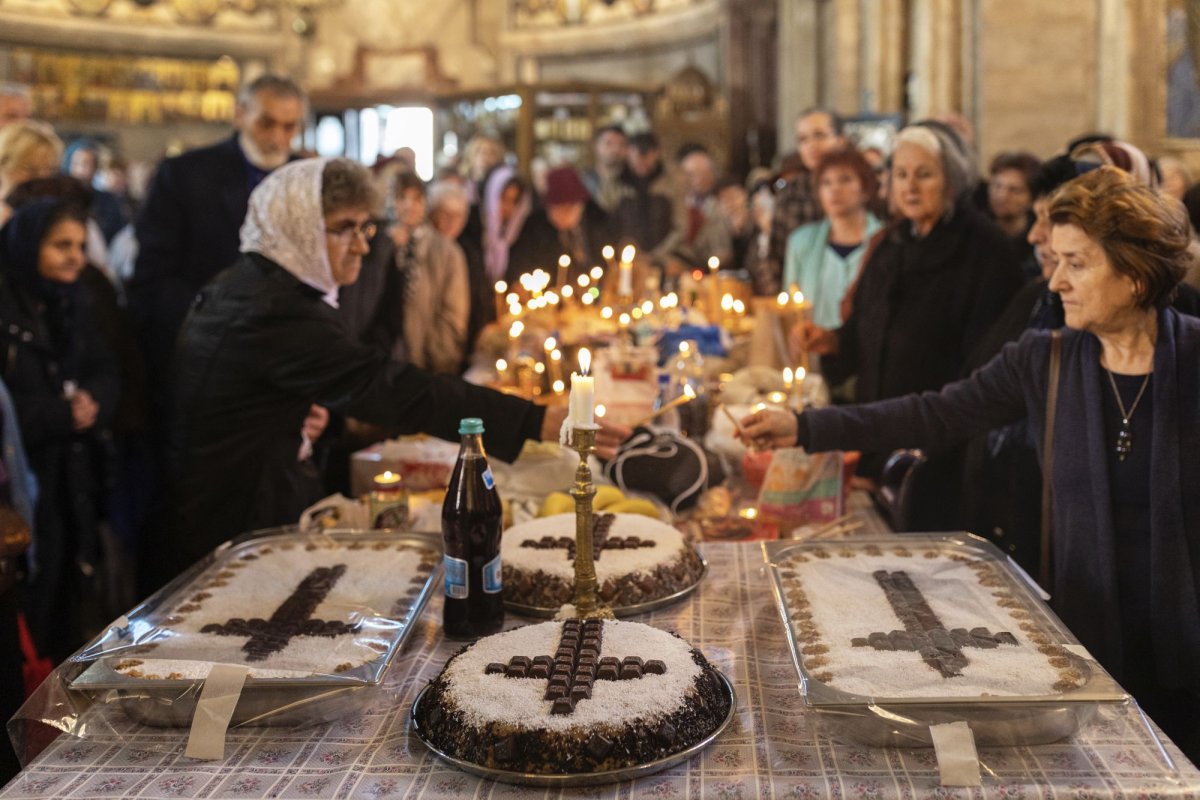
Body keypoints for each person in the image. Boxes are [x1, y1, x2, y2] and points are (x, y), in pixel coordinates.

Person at [743, 166, 1200, 762]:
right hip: (1089, 645)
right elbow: (936, 414)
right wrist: (807, 426)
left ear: (1135, 274)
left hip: (1187, 661)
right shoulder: (1045, 359)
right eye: (1055, 259)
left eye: (1076, 263)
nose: (1055, 280)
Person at [154, 158, 628, 590]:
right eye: (344, 229)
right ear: (297, 227)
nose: (362, 244)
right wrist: (530, 420)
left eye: (365, 227)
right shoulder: (271, 310)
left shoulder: (262, 288)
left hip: (241, 503)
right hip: (228, 527)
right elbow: (393, 389)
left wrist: (312, 415)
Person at [798, 122, 1023, 530]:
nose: (910, 187)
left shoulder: (986, 252)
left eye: (924, 174)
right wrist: (831, 341)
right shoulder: (892, 243)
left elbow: (985, 368)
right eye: (901, 175)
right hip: (881, 439)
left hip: (944, 450)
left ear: (952, 179)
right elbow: (862, 331)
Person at [129, 74, 305, 443]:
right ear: (240, 114)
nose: (277, 137)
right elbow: (152, 277)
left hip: (283, 359)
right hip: (202, 355)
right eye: (266, 123)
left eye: (289, 127)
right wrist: (214, 324)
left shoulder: (304, 178)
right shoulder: (186, 174)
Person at [0, 198, 120, 664]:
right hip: (27, 485)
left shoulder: (76, 301)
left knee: (69, 604)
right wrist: (59, 414)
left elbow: (105, 367)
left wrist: (94, 401)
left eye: (81, 246)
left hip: (74, 479)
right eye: (61, 245)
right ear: (29, 246)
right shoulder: (8, 310)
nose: (76, 257)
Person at [782, 146, 883, 328]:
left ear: (865, 188)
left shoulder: (884, 241)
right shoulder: (801, 242)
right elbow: (790, 306)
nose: (834, 189)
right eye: (826, 183)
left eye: (845, 180)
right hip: (814, 341)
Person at [764, 108, 848, 294]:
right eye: (803, 139)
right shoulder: (790, 193)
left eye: (819, 136)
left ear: (840, 140)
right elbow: (776, 256)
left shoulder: (860, 188)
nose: (811, 145)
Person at [508, 166, 611, 284]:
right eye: (557, 209)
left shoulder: (597, 222)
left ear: (581, 205)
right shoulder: (534, 228)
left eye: (568, 208)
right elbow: (522, 266)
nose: (563, 215)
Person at [677, 147, 732, 269]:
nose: (699, 179)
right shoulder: (678, 205)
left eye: (704, 173)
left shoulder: (723, 202)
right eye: (692, 174)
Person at [986, 151, 1040, 274]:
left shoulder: (1037, 240)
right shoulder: (977, 232)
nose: (1002, 196)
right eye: (997, 186)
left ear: (1032, 199)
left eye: (1015, 190)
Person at [0, 120, 61, 226]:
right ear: (3, 165)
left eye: (50, 169)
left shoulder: (59, 215)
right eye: (31, 169)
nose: (43, 177)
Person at [583, 124, 628, 214]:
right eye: (608, 143)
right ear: (595, 146)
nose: (616, 149)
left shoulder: (634, 182)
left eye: (621, 144)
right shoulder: (583, 180)